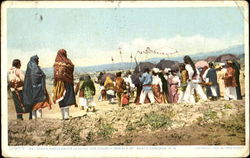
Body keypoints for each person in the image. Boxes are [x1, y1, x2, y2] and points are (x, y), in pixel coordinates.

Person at [23, 55, 52, 119]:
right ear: (35, 60)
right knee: (39, 104)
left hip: (30, 90)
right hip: (38, 89)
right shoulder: (36, 68)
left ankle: (34, 118)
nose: (38, 61)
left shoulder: (29, 68)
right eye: (37, 60)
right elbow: (41, 75)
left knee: (33, 105)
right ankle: (39, 118)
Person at [53, 49, 77, 120]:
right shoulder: (68, 62)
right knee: (67, 98)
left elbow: (56, 74)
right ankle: (66, 116)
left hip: (58, 84)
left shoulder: (56, 63)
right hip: (67, 82)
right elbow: (72, 68)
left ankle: (63, 116)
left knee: (61, 98)